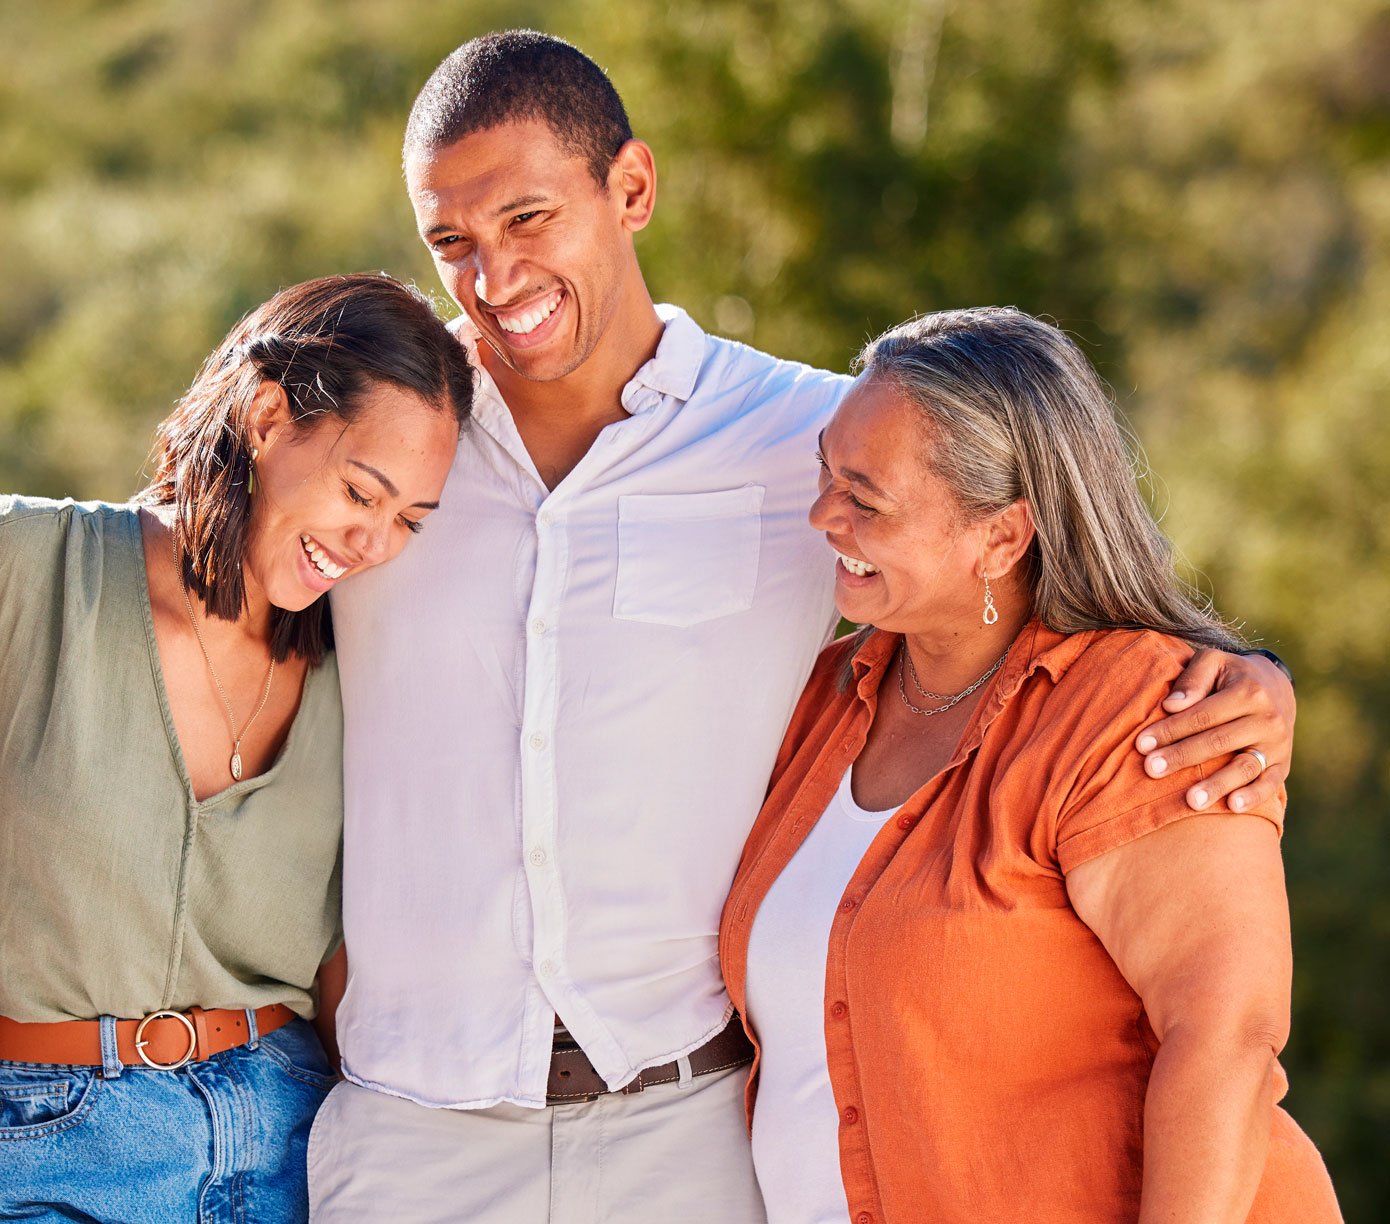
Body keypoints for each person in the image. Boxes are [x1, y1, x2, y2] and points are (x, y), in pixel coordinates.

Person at [308, 32, 1298, 1223]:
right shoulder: (379, 444)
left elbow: (1039, 543)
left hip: (685, 1132)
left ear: (631, 189)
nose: (492, 275)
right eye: (451, 242)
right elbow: (205, 545)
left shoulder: (809, 435)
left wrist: (1247, 676)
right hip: (413, 1133)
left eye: (528, 219)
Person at [719, 307, 1340, 1224]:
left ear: (1003, 537)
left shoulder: (1143, 713)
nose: (823, 514)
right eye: (825, 470)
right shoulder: (818, 698)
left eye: (865, 497)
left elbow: (1226, 1038)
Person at [0, 273, 472, 1223]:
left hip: (292, 1149)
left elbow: (349, 961)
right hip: (44, 1150)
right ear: (266, 415)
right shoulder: (25, 567)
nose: (371, 542)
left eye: (407, 522)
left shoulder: (362, 659)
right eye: (359, 491)